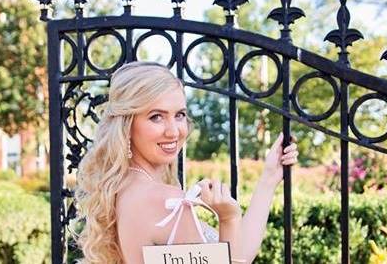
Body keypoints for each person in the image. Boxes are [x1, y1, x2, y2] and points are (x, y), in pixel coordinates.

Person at [75, 61, 298, 264]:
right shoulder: (166, 202)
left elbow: (238, 251)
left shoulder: (124, 188)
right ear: (127, 125)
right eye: (156, 116)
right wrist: (229, 218)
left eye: (179, 115)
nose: (174, 131)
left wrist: (269, 179)